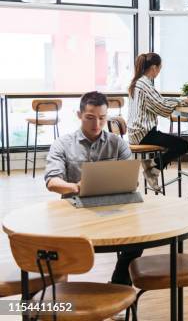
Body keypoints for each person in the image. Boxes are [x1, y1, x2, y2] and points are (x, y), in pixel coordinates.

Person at [44, 92, 141, 297]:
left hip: (114, 207)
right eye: (90, 117)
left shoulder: (118, 143)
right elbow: (52, 182)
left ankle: (120, 285)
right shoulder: (62, 144)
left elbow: (132, 180)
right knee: (60, 245)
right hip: (74, 210)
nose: (97, 124)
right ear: (79, 115)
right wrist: (76, 187)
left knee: (138, 238)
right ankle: (61, 296)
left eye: (102, 118)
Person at [127, 53, 188, 190]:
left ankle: (151, 166)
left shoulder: (138, 82)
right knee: (184, 145)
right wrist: (183, 101)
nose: (159, 71)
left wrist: (179, 101)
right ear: (154, 68)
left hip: (136, 133)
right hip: (144, 134)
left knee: (178, 143)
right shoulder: (145, 84)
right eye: (159, 68)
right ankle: (152, 168)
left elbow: (159, 102)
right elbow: (162, 106)